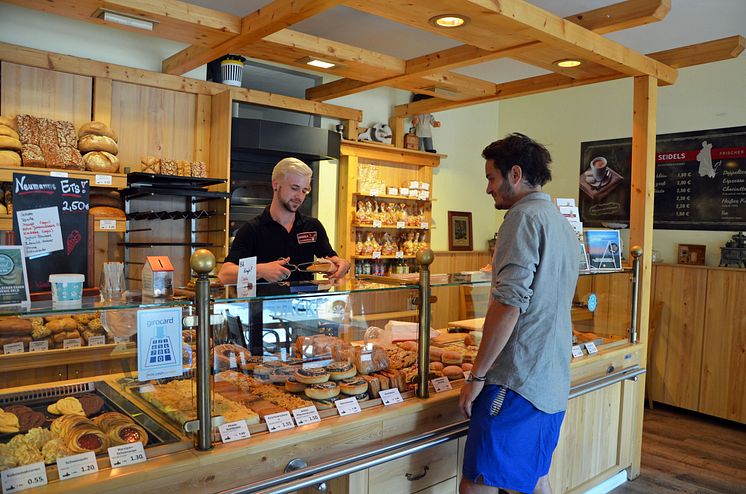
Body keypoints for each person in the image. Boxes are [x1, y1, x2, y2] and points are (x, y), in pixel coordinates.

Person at [458, 134, 579, 494]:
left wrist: (477, 376)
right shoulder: (561, 223)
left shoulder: (522, 217)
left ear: (515, 174)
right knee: (533, 481)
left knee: (478, 482)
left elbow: (509, 304)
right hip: (551, 381)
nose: (487, 189)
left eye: (490, 178)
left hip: (515, 382)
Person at [217, 157, 350, 284]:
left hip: (304, 306)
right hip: (264, 307)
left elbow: (331, 258)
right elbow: (225, 275)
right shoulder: (252, 229)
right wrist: (261, 271)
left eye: (304, 191)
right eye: (294, 188)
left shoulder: (313, 226)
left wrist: (343, 264)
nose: (299, 197)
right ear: (276, 185)